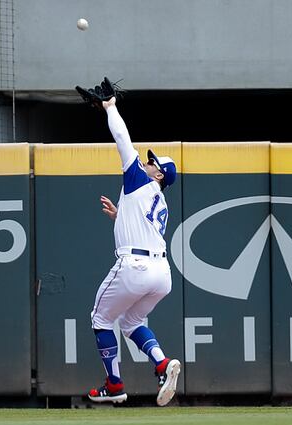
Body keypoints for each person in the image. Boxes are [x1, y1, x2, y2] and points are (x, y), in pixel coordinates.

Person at [88, 96, 181, 407]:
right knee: (130, 324)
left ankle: (114, 385)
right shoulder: (158, 200)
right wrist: (120, 216)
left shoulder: (139, 179)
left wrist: (110, 106)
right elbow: (144, 229)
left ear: (158, 175)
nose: (147, 162)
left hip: (136, 267)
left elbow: (122, 139)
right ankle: (162, 363)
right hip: (162, 273)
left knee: (101, 319)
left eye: (153, 163)